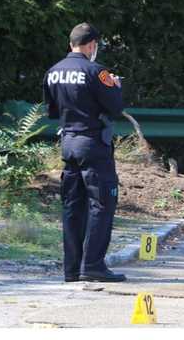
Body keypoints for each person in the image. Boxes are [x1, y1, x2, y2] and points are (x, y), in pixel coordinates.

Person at [43, 23, 126, 283]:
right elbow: (115, 107)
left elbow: (53, 111)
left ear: (71, 44)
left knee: (72, 206)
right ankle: (93, 266)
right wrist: (115, 86)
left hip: (67, 143)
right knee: (102, 203)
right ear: (91, 45)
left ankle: (72, 269)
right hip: (92, 144)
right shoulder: (96, 71)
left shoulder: (53, 72)